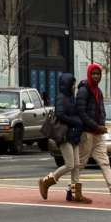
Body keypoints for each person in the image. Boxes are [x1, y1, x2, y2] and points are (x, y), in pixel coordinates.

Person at [71, 63, 111, 204]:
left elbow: (101, 109)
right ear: (89, 74)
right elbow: (81, 113)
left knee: (104, 162)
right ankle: (71, 191)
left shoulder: (98, 90)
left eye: (98, 73)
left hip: (98, 133)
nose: (96, 76)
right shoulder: (84, 91)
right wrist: (96, 126)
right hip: (87, 133)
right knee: (80, 164)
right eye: (93, 73)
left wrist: (102, 124)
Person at [36, 71, 85, 202]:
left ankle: (75, 194)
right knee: (70, 164)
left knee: (76, 165)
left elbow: (73, 113)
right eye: (72, 84)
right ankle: (46, 181)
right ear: (67, 84)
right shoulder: (61, 97)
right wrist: (76, 121)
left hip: (73, 135)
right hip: (63, 135)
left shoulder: (71, 97)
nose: (74, 86)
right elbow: (60, 114)